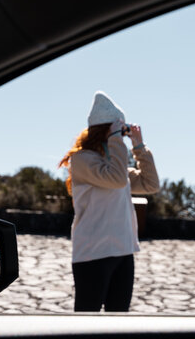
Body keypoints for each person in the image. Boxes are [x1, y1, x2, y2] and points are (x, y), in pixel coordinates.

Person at [59, 91, 160, 312]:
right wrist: (116, 139)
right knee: (87, 319)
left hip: (123, 251)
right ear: (104, 129)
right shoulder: (82, 160)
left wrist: (139, 147)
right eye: (117, 130)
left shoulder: (115, 164)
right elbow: (115, 179)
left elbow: (150, 183)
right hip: (93, 252)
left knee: (118, 320)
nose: (120, 136)